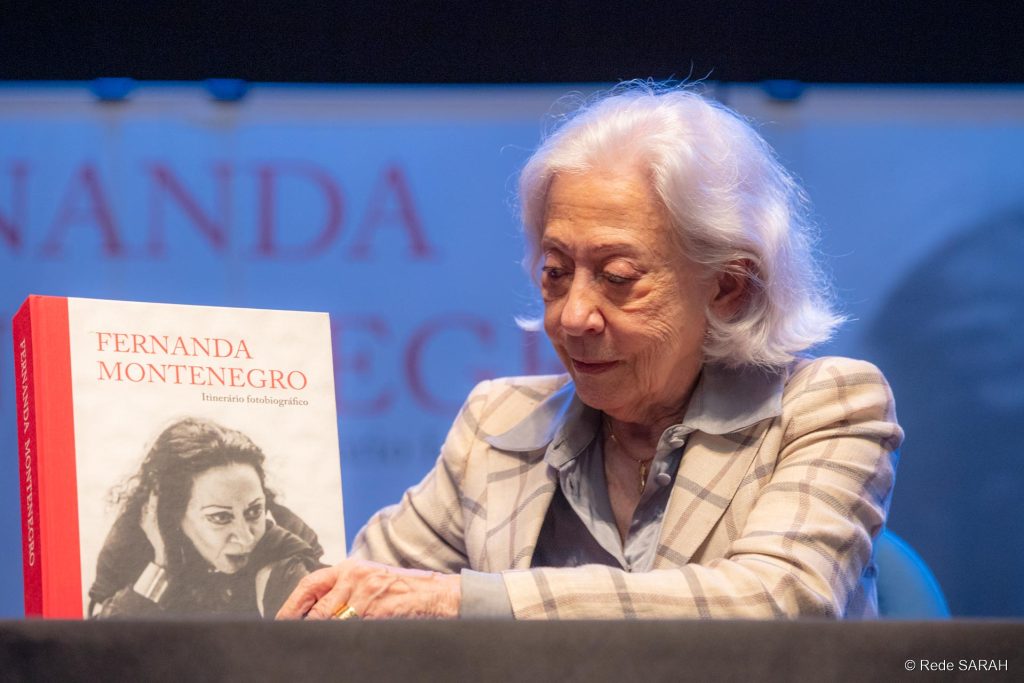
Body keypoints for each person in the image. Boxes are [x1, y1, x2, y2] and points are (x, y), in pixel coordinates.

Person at [278, 82, 903, 621]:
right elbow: (366, 589)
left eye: (618, 276)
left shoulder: (827, 407)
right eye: (555, 272)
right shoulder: (497, 424)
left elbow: (772, 602)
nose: (572, 316)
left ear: (728, 287)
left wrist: (464, 601)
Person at [89, 417, 325, 617]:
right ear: (173, 514)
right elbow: (100, 649)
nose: (246, 538)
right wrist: (161, 566)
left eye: (254, 511)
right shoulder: (131, 543)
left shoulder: (285, 535)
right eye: (220, 517)